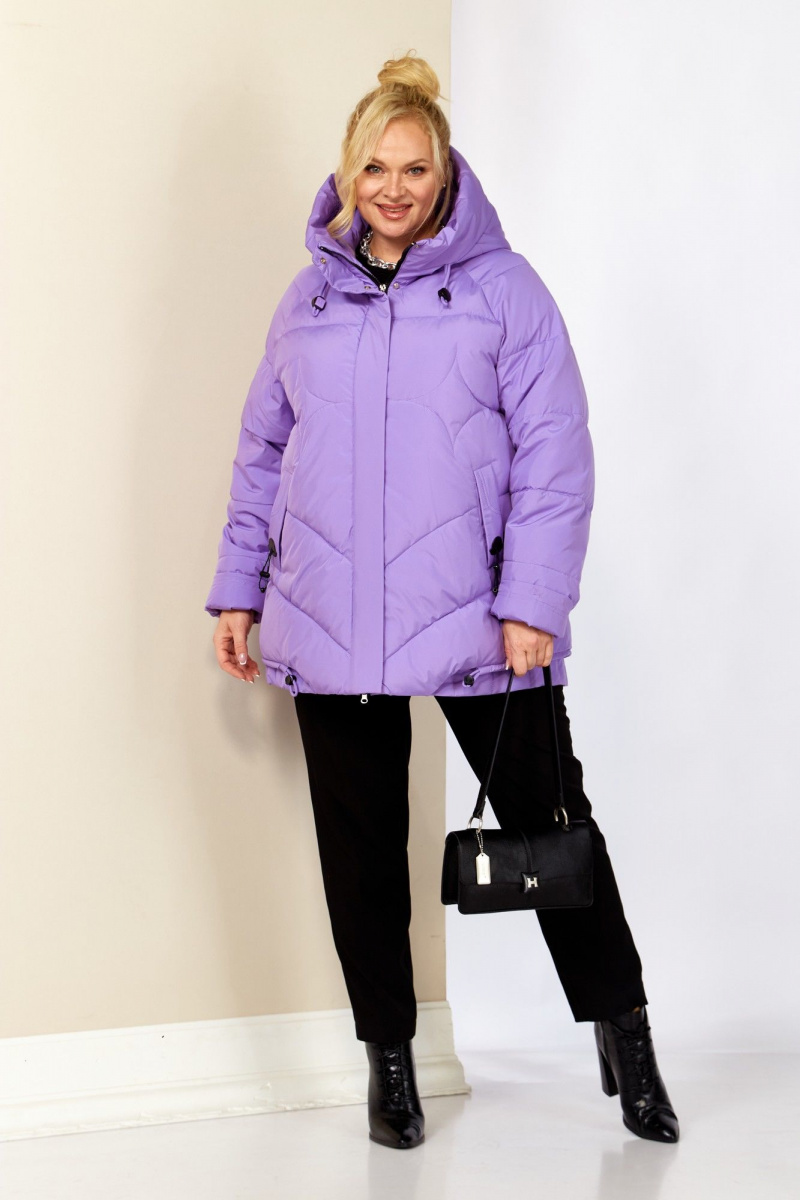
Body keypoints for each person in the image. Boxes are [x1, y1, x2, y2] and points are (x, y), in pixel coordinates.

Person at [204, 52, 679, 1150]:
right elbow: (262, 454)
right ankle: (390, 1061)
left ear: (445, 173)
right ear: (348, 173)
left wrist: (532, 605)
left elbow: (555, 456)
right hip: (329, 620)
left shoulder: (505, 292)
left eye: (413, 168)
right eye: (374, 168)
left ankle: (626, 1031)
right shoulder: (308, 299)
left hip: (479, 621)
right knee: (360, 854)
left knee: (550, 826)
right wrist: (237, 592)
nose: (393, 188)